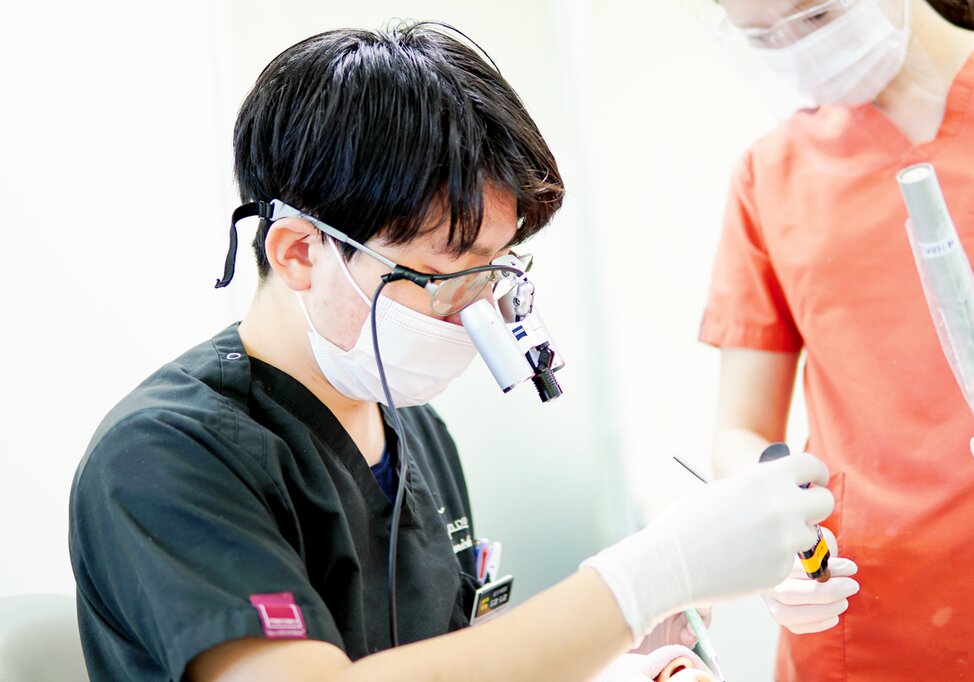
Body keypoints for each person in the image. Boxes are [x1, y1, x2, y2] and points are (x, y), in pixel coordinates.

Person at [69, 21, 833, 682]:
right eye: (442, 272)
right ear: (300, 251)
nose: (474, 314)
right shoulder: (165, 456)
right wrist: (643, 582)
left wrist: (611, 658)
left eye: (494, 270)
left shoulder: (411, 430)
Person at [703, 0, 974, 679]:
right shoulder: (771, 174)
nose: (798, 51)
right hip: (857, 612)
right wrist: (777, 535)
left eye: (817, 17)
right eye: (763, 38)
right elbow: (740, 431)